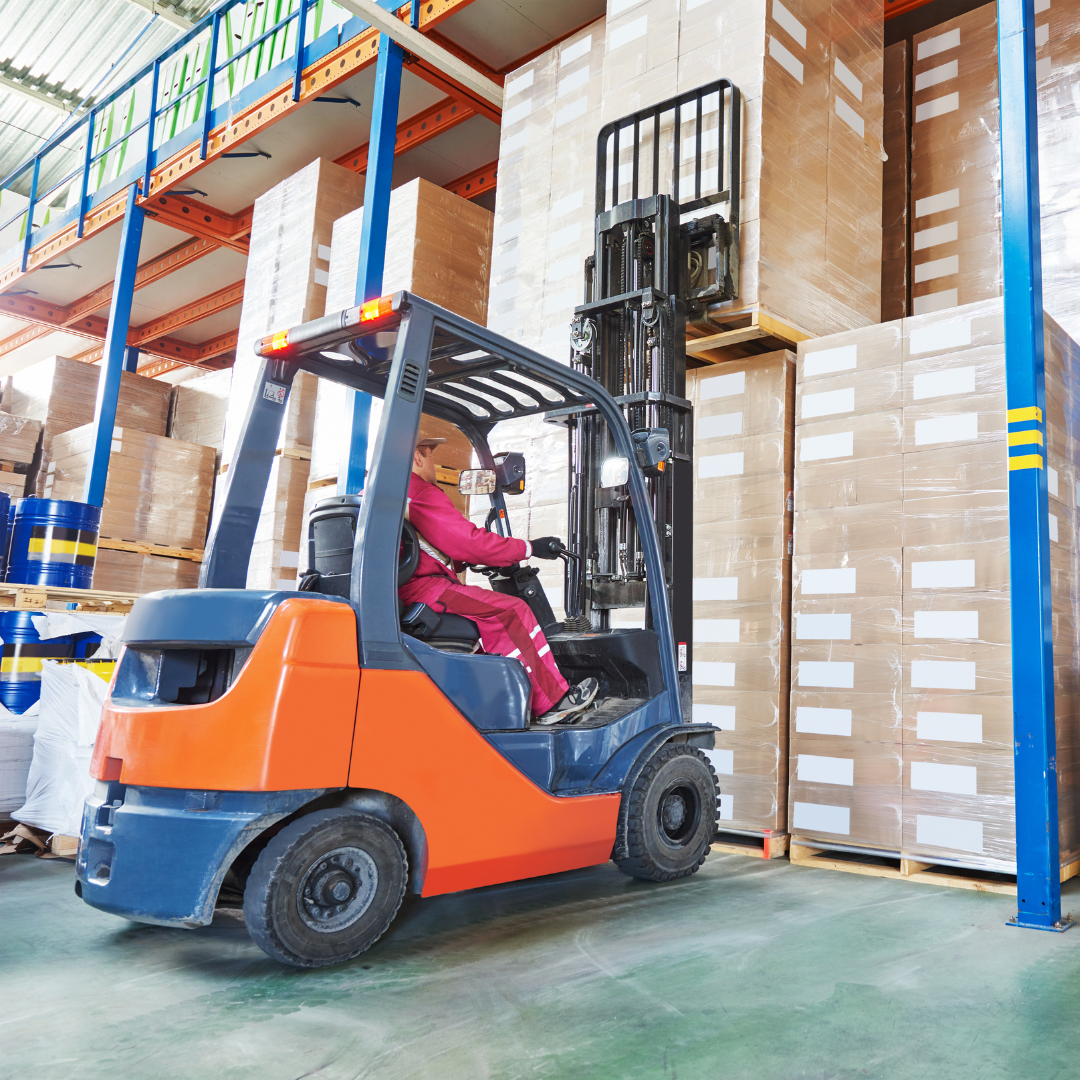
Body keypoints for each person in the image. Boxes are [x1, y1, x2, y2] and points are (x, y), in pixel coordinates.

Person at [400, 437, 598, 724]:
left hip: (414, 589)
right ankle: (553, 702)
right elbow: (467, 542)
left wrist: (470, 557)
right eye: (430, 456)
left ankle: (500, 704)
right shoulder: (419, 493)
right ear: (418, 458)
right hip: (427, 589)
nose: (433, 464)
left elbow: (439, 548)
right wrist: (530, 548)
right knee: (511, 611)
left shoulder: (394, 494)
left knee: (486, 635)